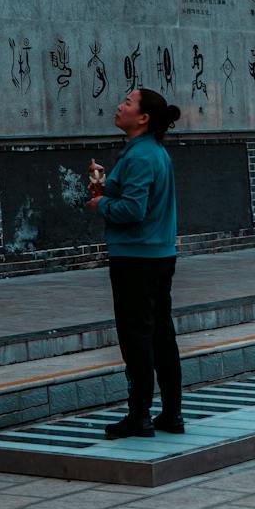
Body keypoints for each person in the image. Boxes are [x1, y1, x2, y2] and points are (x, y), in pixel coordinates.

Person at [86, 87, 182, 439]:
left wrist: (101, 206)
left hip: (136, 257)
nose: (119, 105)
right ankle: (171, 413)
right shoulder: (151, 152)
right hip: (158, 254)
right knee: (161, 334)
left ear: (142, 118)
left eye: (127, 102)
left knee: (137, 337)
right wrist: (107, 185)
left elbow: (133, 209)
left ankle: (139, 415)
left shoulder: (141, 156)